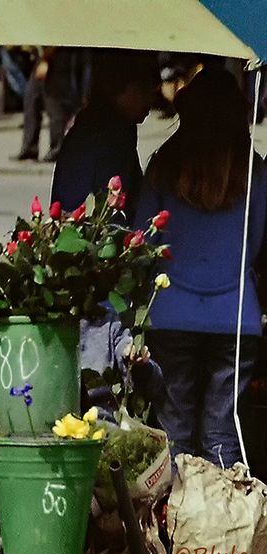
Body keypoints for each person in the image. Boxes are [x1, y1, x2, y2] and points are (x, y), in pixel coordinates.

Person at [134, 67, 267, 468]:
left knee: (174, 429)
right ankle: (218, 523)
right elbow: (257, 241)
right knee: (223, 430)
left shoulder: (163, 164)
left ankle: (175, 521)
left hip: (171, 313)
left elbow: (143, 240)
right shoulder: (253, 169)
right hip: (235, 316)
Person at [51, 49, 159, 223]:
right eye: (145, 90)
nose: (151, 100)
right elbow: (113, 214)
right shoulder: (110, 136)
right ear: (120, 87)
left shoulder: (107, 125)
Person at [13, 47, 86, 163]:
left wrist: (46, 58)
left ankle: (57, 148)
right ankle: (30, 147)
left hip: (58, 53)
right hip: (46, 54)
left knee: (54, 100)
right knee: (32, 97)